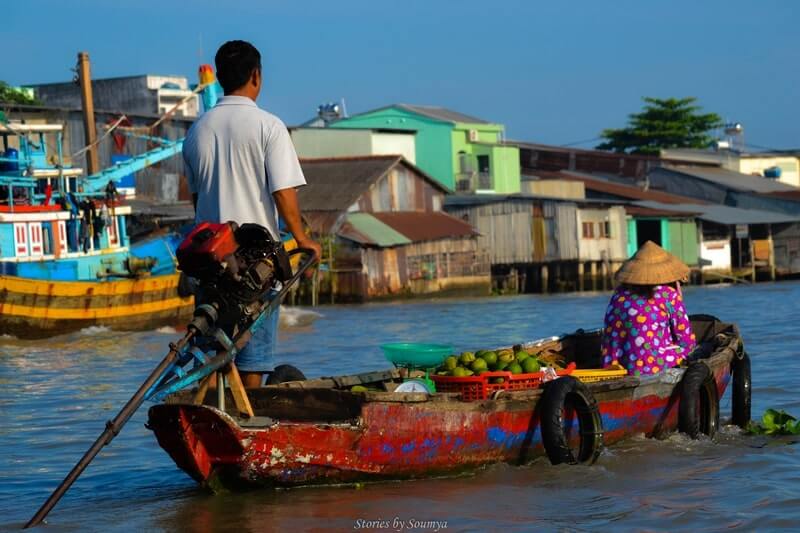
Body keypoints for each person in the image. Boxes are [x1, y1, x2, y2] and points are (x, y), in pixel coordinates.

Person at [182, 40, 321, 388]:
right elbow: (283, 192)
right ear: (256, 76)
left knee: (208, 357)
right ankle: (246, 427)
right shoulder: (268, 127)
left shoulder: (196, 130)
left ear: (219, 79)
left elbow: (196, 198)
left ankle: (211, 417)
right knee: (252, 364)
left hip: (210, 260)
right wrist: (303, 240)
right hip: (255, 265)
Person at [600, 241, 697, 377]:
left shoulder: (618, 296)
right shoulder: (668, 294)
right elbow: (685, 338)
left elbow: (610, 337)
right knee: (697, 350)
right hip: (655, 365)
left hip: (618, 366)